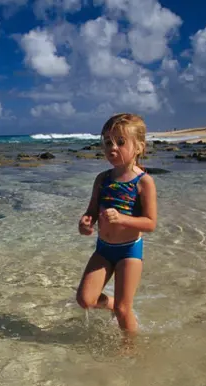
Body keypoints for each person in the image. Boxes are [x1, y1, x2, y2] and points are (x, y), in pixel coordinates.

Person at [76, 113, 158, 337]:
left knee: (124, 310)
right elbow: (92, 210)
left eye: (120, 142)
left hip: (129, 251)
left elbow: (150, 223)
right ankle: (111, 304)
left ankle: (130, 349)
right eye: (108, 142)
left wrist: (122, 219)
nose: (112, 148)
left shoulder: (143, 182)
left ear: (139, 147)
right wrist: (86, 222)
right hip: (103, 249)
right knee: (85, 300)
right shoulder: (102, 179)